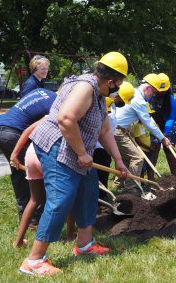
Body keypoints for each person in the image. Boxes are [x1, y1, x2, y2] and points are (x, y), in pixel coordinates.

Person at [19, 51, 129, 276]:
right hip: (58, 147)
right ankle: (34, 260)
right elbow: (66, 119)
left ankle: (85, 245)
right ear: (111, 80)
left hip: (76, 150)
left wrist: (118, 160)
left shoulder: (98, 94)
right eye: (120, 82)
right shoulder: (85, 88)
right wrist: (81, 153)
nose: (119, 86)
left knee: (88, 191)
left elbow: (105, 130)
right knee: (61, 198)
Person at [0, 88, 57, 222]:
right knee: (35, 177)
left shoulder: (41, 91)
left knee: (19, 174)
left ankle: (25, 216)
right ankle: (35, 218)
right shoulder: (56, 103)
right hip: (13, 135)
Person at [10, 120, 75, 249]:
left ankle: (18, 241)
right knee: (67, 196)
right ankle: (70, 236)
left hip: (32, 153)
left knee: (34, 199)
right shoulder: (71, 116)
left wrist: (15, 153)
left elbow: (27, 131)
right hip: (49, 155)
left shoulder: (48, 116)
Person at [114, 73, 171, 191]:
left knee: (125, 159)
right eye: (154, 92)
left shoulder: (134, 93)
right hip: (118, 131)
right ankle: (131, 187)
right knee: (137, 158)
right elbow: (147, 123)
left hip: (121, 130)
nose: (153, 95)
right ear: (148, 88)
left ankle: (117, 184)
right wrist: (163, 138)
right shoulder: (138, 100)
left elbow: (146, 119)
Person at [93, 82, 135, 196]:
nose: (122, 103)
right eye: (121, 99)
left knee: (103, 173)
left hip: (104, 145)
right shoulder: (105, 102)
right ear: (116, 95)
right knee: (97, 175)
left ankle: (102, 198)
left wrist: (117, 159)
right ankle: (99, 200)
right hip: (96, 146)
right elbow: (104, 129)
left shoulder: (112, 104)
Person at [149, 73, 176, 180]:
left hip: (168, 125)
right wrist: (156, 131)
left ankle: (173, 176)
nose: (162, 92)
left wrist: (165, 134)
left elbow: (171, 117)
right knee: (154, 150)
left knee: (169, 149)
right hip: (154, 124)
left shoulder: (170, 98)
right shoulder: (150, 96)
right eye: (160, 89)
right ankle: (150, 178)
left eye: (164, 89)